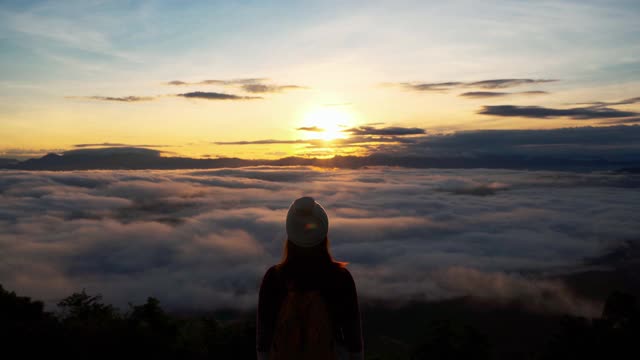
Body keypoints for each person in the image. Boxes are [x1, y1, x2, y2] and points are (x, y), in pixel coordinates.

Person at [256, 196, 363, 360]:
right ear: (323, 234)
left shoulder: (274, 278)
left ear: (290, 236)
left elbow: (264, 339)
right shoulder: (341, 278)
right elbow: (353, 337)